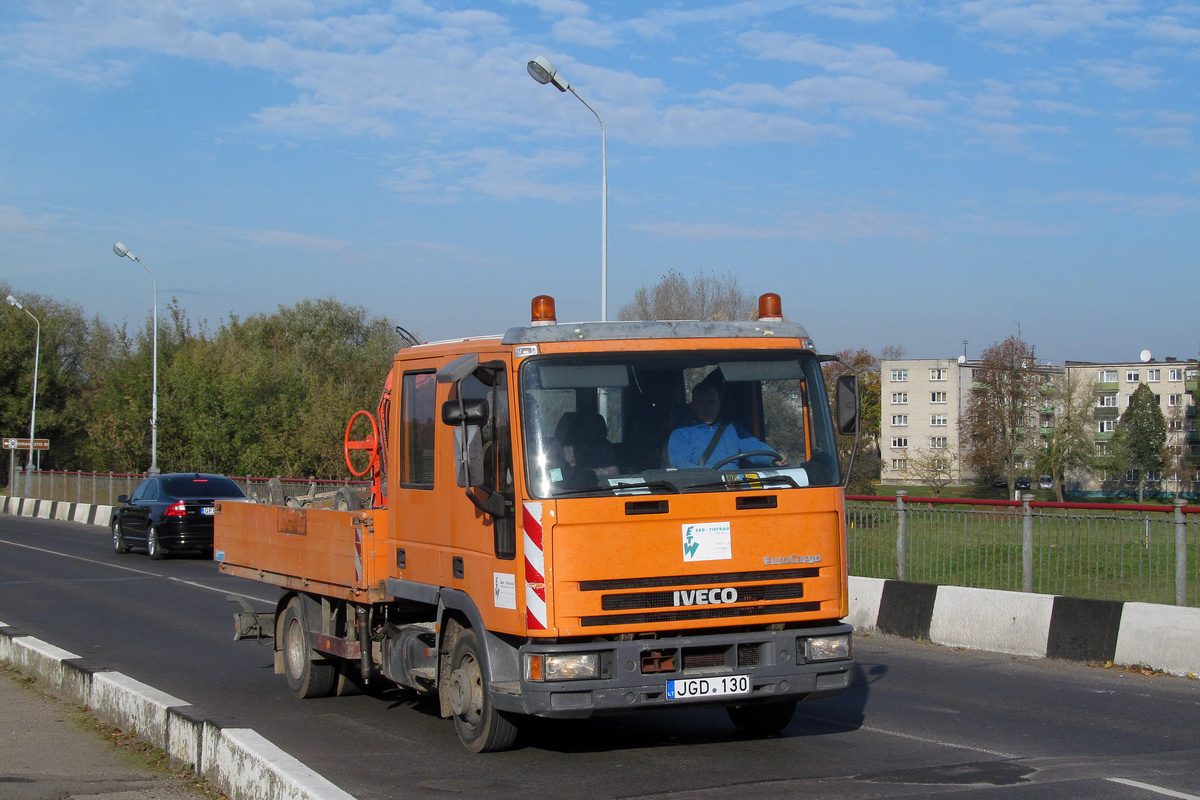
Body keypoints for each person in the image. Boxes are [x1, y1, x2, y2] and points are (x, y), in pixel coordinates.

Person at [667, 379, 789, 469]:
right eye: (702, 403)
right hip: (701, 489)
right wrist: (710, 475)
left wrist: (773, 457)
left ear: (719, 404)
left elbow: (753, 446)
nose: (707, 408)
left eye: (712, 402)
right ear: (693, 406)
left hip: (734, 486)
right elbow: (681, 464)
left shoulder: (732, 429)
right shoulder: (681, 433)